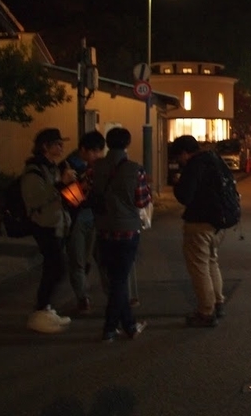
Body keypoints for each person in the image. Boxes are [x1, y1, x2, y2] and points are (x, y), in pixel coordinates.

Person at [90, 127, 150, 342]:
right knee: (119, 280)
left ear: (107, 143)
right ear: (127, 143)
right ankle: (109, 328)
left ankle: (129, 326)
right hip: (127, 230)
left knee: (116, 279)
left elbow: (90, 193)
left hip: (104, 228)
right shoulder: (135, 169)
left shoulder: (95, 167)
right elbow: (142, 201)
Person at [170, 135, 228, 327]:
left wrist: (177, 183)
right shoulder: (215, 161)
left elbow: (185, 196)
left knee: (199, 268)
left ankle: (206, 311)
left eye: (178, 156)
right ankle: (218, 302)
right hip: (219, 223)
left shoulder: (194, 166)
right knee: (211, 262)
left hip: (199, 222)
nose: (179, 160)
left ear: (185, 153)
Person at [23, 128, 77, 334]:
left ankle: (45, 309)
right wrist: (60, 184)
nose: (61, 148)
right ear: (45, 146)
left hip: (57, 224)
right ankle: (40, 310)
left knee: (52, 268)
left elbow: (63, 196)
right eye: (57, 144)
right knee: (57, 268)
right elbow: (36, 198)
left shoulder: (53, 167)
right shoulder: (34, 170)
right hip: (44, 225)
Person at [63, 130, 106, 315]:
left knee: (94, 259)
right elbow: (70, 198)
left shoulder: (95, 167)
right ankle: (82, 299)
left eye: (99, 151)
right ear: (83, 150)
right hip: (76, 219)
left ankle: (106, 295)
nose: (97, 155)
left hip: (93, 218)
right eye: (94, 151)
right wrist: (83, 187)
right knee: (78, 260)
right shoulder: (68, 166)